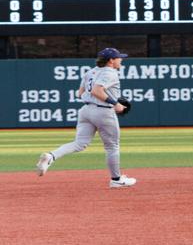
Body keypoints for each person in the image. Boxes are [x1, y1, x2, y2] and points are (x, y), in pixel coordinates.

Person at [36, 47, 135, 187]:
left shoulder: (91, 71)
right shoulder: (111, 72)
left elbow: (79, 93)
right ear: (111, 60)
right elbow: (96, 90)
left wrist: (95, 101)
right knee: (112, 147)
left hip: (86, 110)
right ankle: (116, 180)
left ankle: (51, 156)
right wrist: (115, 103)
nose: (121, 59)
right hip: (103, 112)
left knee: (79, 143)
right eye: (119, 57)